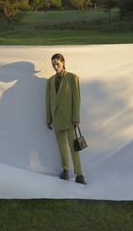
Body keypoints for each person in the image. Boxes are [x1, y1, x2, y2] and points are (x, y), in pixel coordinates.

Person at [46, 53, 86, 184]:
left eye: (57, 64)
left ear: (63, 62)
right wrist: (48, 118)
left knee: (74, 148)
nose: (55, 67)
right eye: (53, 64)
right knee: (61, 147)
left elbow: (77, 99)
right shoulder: (50, 81)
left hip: (69, 119)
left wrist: (76, 118)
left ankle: (79, 175)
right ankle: (65, 170)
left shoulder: (72, 78)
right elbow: (48, 101)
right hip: (56, 119)